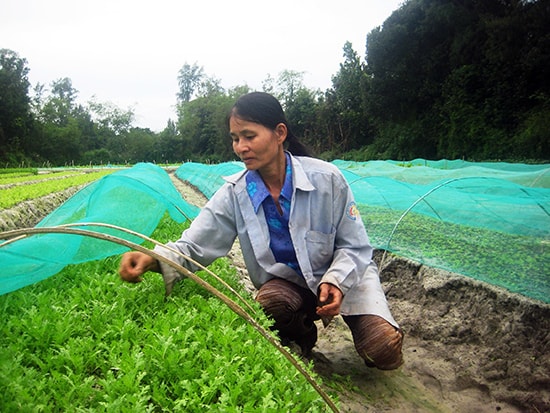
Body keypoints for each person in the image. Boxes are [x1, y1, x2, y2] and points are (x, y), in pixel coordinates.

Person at [119, 92, 403, 370]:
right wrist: (151, 258)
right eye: (235, 139)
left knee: (382, 350)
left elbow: (355, 246)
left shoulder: (328, 180)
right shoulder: (235, 193)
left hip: (347, 277)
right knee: (272, 303)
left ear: (279, 133)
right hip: (291, 285)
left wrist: (337, 280)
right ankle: (302, 338)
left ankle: (372, 326)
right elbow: (194, 245)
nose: (241, 147)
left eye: (249, 136)